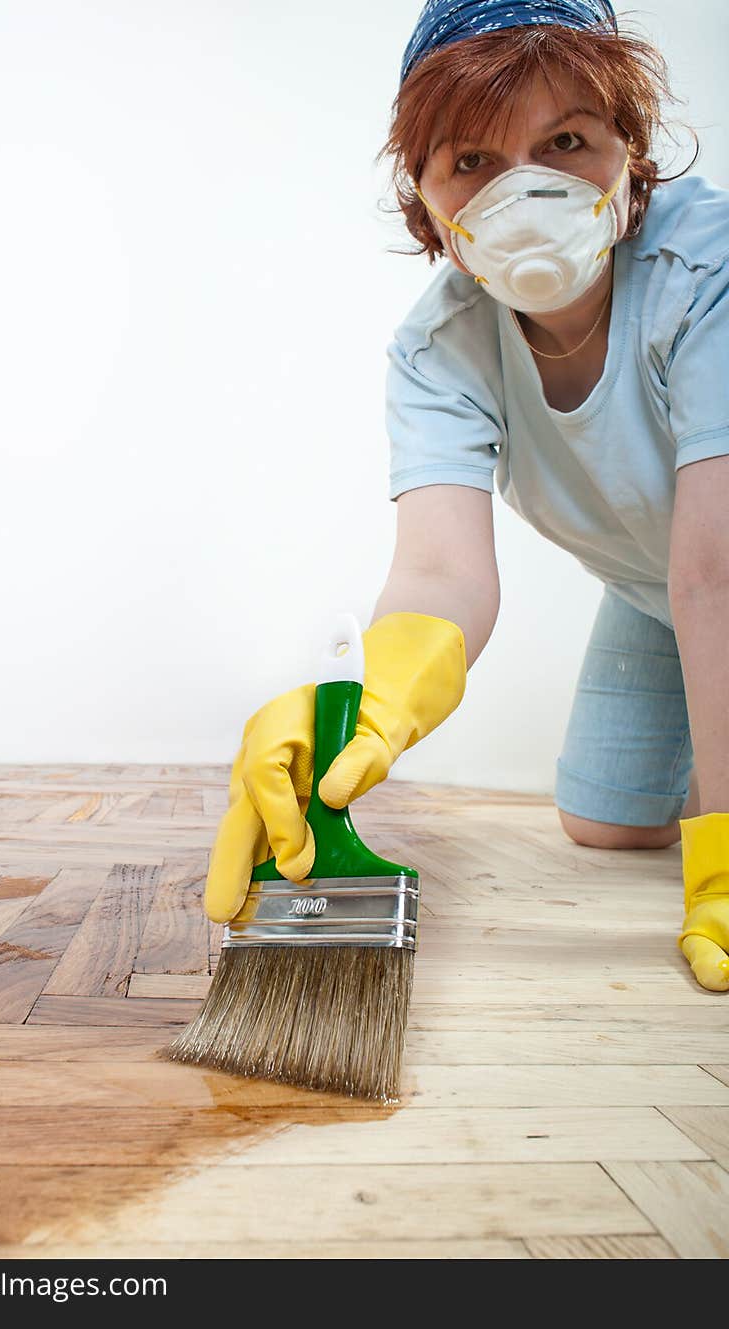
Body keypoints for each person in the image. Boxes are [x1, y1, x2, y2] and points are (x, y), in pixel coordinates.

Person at [205, 0, 729, 993]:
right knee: (606, 825)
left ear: (632, 153)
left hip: (716, 572)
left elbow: (716, 568)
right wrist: (368, 705)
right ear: (425, 200)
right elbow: (442, 572)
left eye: (564, 141)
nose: (520, 192)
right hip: (652, 594)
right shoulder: (437, 346)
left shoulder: (711, 269)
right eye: (472, 162)